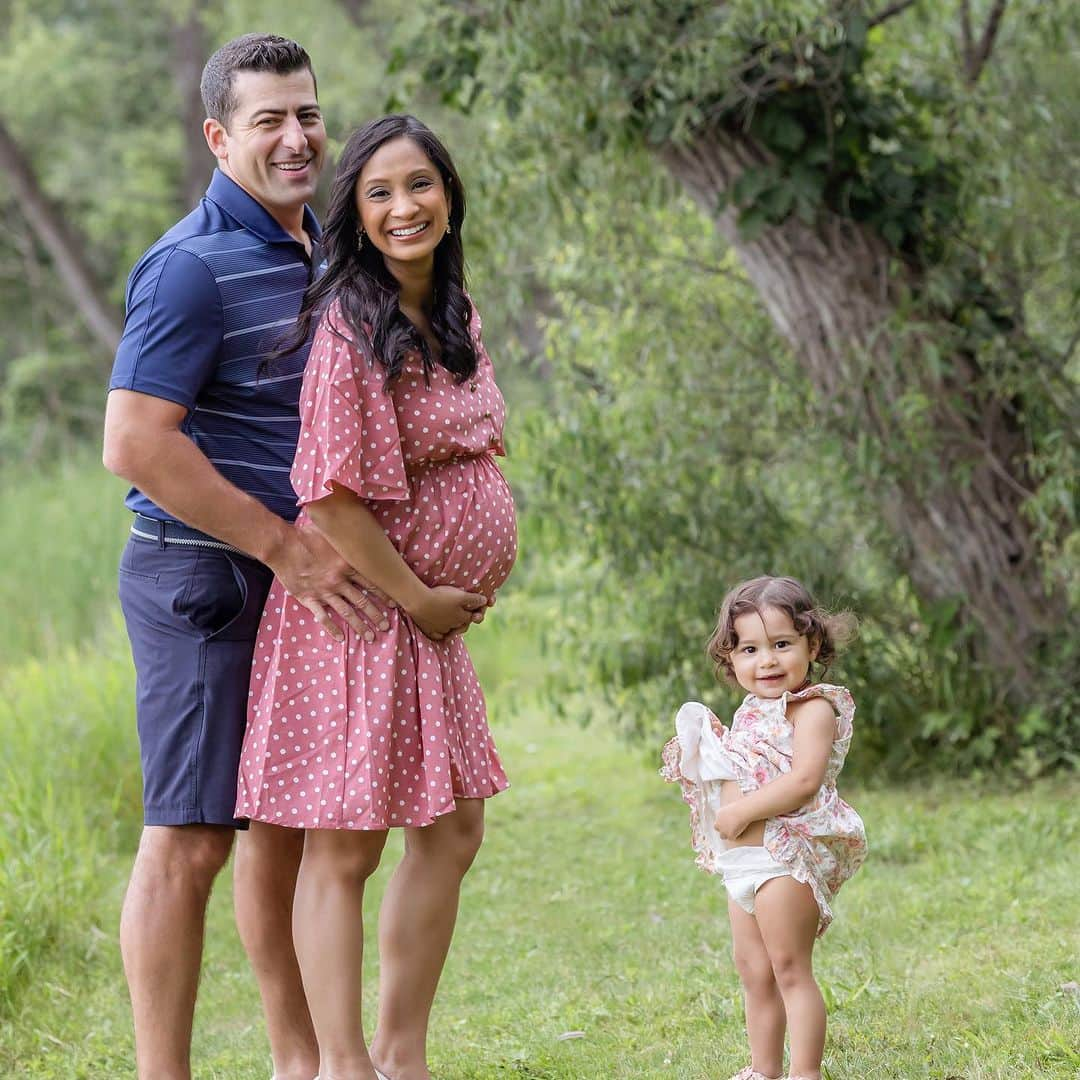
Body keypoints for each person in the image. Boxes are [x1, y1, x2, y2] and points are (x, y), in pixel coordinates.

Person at [103, 34, 390, 1080]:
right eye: (267, 120)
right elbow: (133, 443)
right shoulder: (190, 266)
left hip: (291, 582)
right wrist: (284, 549)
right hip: (205, 581)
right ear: (220, 137)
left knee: (283, 831)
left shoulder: (322, 244)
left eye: (307, 113)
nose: (295, 136)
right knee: (191, 840)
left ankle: (300, 1062)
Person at [235, 114, 517, 1080]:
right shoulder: (352, 325)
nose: (406, 207)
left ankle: (404, 1055)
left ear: (450, 195)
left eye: (421, 185)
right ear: (356, 213)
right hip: (362, 616)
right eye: (381, 193)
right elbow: (330, 496)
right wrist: (418, 598)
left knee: (452, 830)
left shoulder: (452, 309)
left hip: (427, 623)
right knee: (346, 848)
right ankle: (346, 1067)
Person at [660, 576, 867, 1080]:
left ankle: (805, 1073)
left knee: (789, 970)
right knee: (754, 972)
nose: (767, 661)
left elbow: (802, 781)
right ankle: (763, 1069)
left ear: (811, 645)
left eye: (781, 644)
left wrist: (740, 812)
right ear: (730, 658)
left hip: (784, 860)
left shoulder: (813, 708)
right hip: (742, 865)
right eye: (749, 649)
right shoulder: (751, 711)